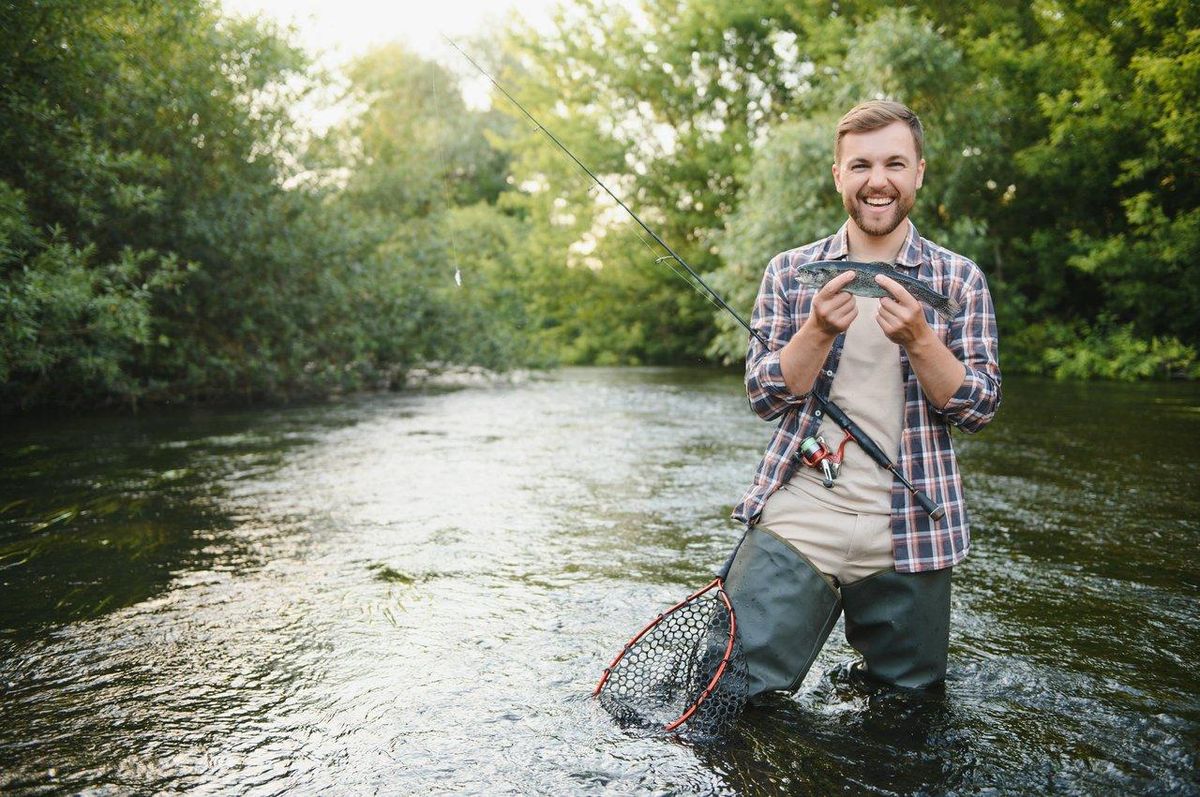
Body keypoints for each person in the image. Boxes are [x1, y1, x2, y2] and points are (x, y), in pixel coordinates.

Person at [722, 100, 1001, 698]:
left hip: (911, 523)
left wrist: (923, 341)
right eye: (862, 166)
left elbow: (978, 408)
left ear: (919, 172)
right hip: (800, 513)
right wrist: (817, 331)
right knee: (731, 694)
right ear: (839, 175)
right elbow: (764, 397)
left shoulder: (959, 281)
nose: (878, 181)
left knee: (909, 713)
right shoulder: (792, 272)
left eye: (895, 164)